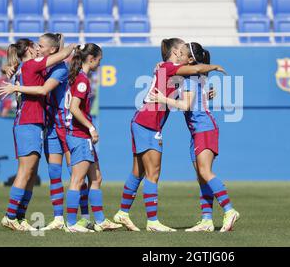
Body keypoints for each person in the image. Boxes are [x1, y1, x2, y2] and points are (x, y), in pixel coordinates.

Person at [113, 38, 227, 232]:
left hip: (141, 121)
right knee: (153, 173)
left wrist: (203, 95)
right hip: (148, 123)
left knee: (138, 171)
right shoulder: (170, 67)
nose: (183, 53)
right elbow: (196, 70)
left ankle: (122, 213)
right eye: (181, 50)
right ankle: (152, 222)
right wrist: (214, 66)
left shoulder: (166, 69)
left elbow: (181, 93)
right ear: (175, 52)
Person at [0, 34, 92, 231]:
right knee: (38, 172)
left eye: (41, 45)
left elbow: (49, 76)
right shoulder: (34, 65)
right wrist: (70, 46)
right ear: (30, 50)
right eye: (36, 46)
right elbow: (43, 85)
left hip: (55, 125)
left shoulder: (53, 68)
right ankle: (17, 216)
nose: (38, 48)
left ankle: (82, 217)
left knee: (51, 172)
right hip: (35, 124)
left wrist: (9, 71)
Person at [149, 42, 240, 232]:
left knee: (205, 172)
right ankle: (207, 221)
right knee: (201, 176)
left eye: (181, 53)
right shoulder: (191, 75)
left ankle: (229, 210)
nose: (177, 56)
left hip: (204, 129)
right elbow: (200, 96)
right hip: (197, 131)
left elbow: (186, 106)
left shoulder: (190, 77)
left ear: (190, 59)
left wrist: (162, 99)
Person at [64, 43, 122, 233]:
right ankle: (71, 224)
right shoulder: (82, 80)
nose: (100, 63)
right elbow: (74, 107)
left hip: (82, 137)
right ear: (91, 59)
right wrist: (90, 127)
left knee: (96, 178)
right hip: (80, 136)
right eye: (99, 59)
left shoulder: (81, 77)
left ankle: (100, 220)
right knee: (77, 180)